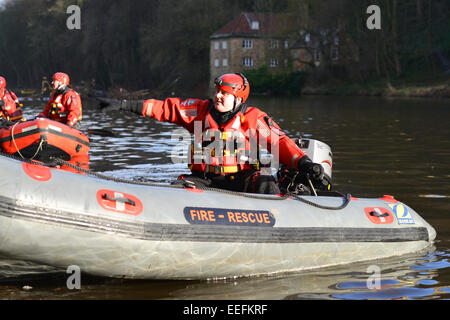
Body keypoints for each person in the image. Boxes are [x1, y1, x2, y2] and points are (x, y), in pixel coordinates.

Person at [100, 73, 325, 194]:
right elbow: (162, 108)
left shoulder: (255, 117)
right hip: (206, 179)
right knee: (178, 190)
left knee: (266, 181)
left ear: (239, 99)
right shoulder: (197, 110)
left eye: (225, 93)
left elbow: (281, 143)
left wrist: (305, 163)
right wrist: (123, 105)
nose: (218, 96)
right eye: (217, 91)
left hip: (242, 180)